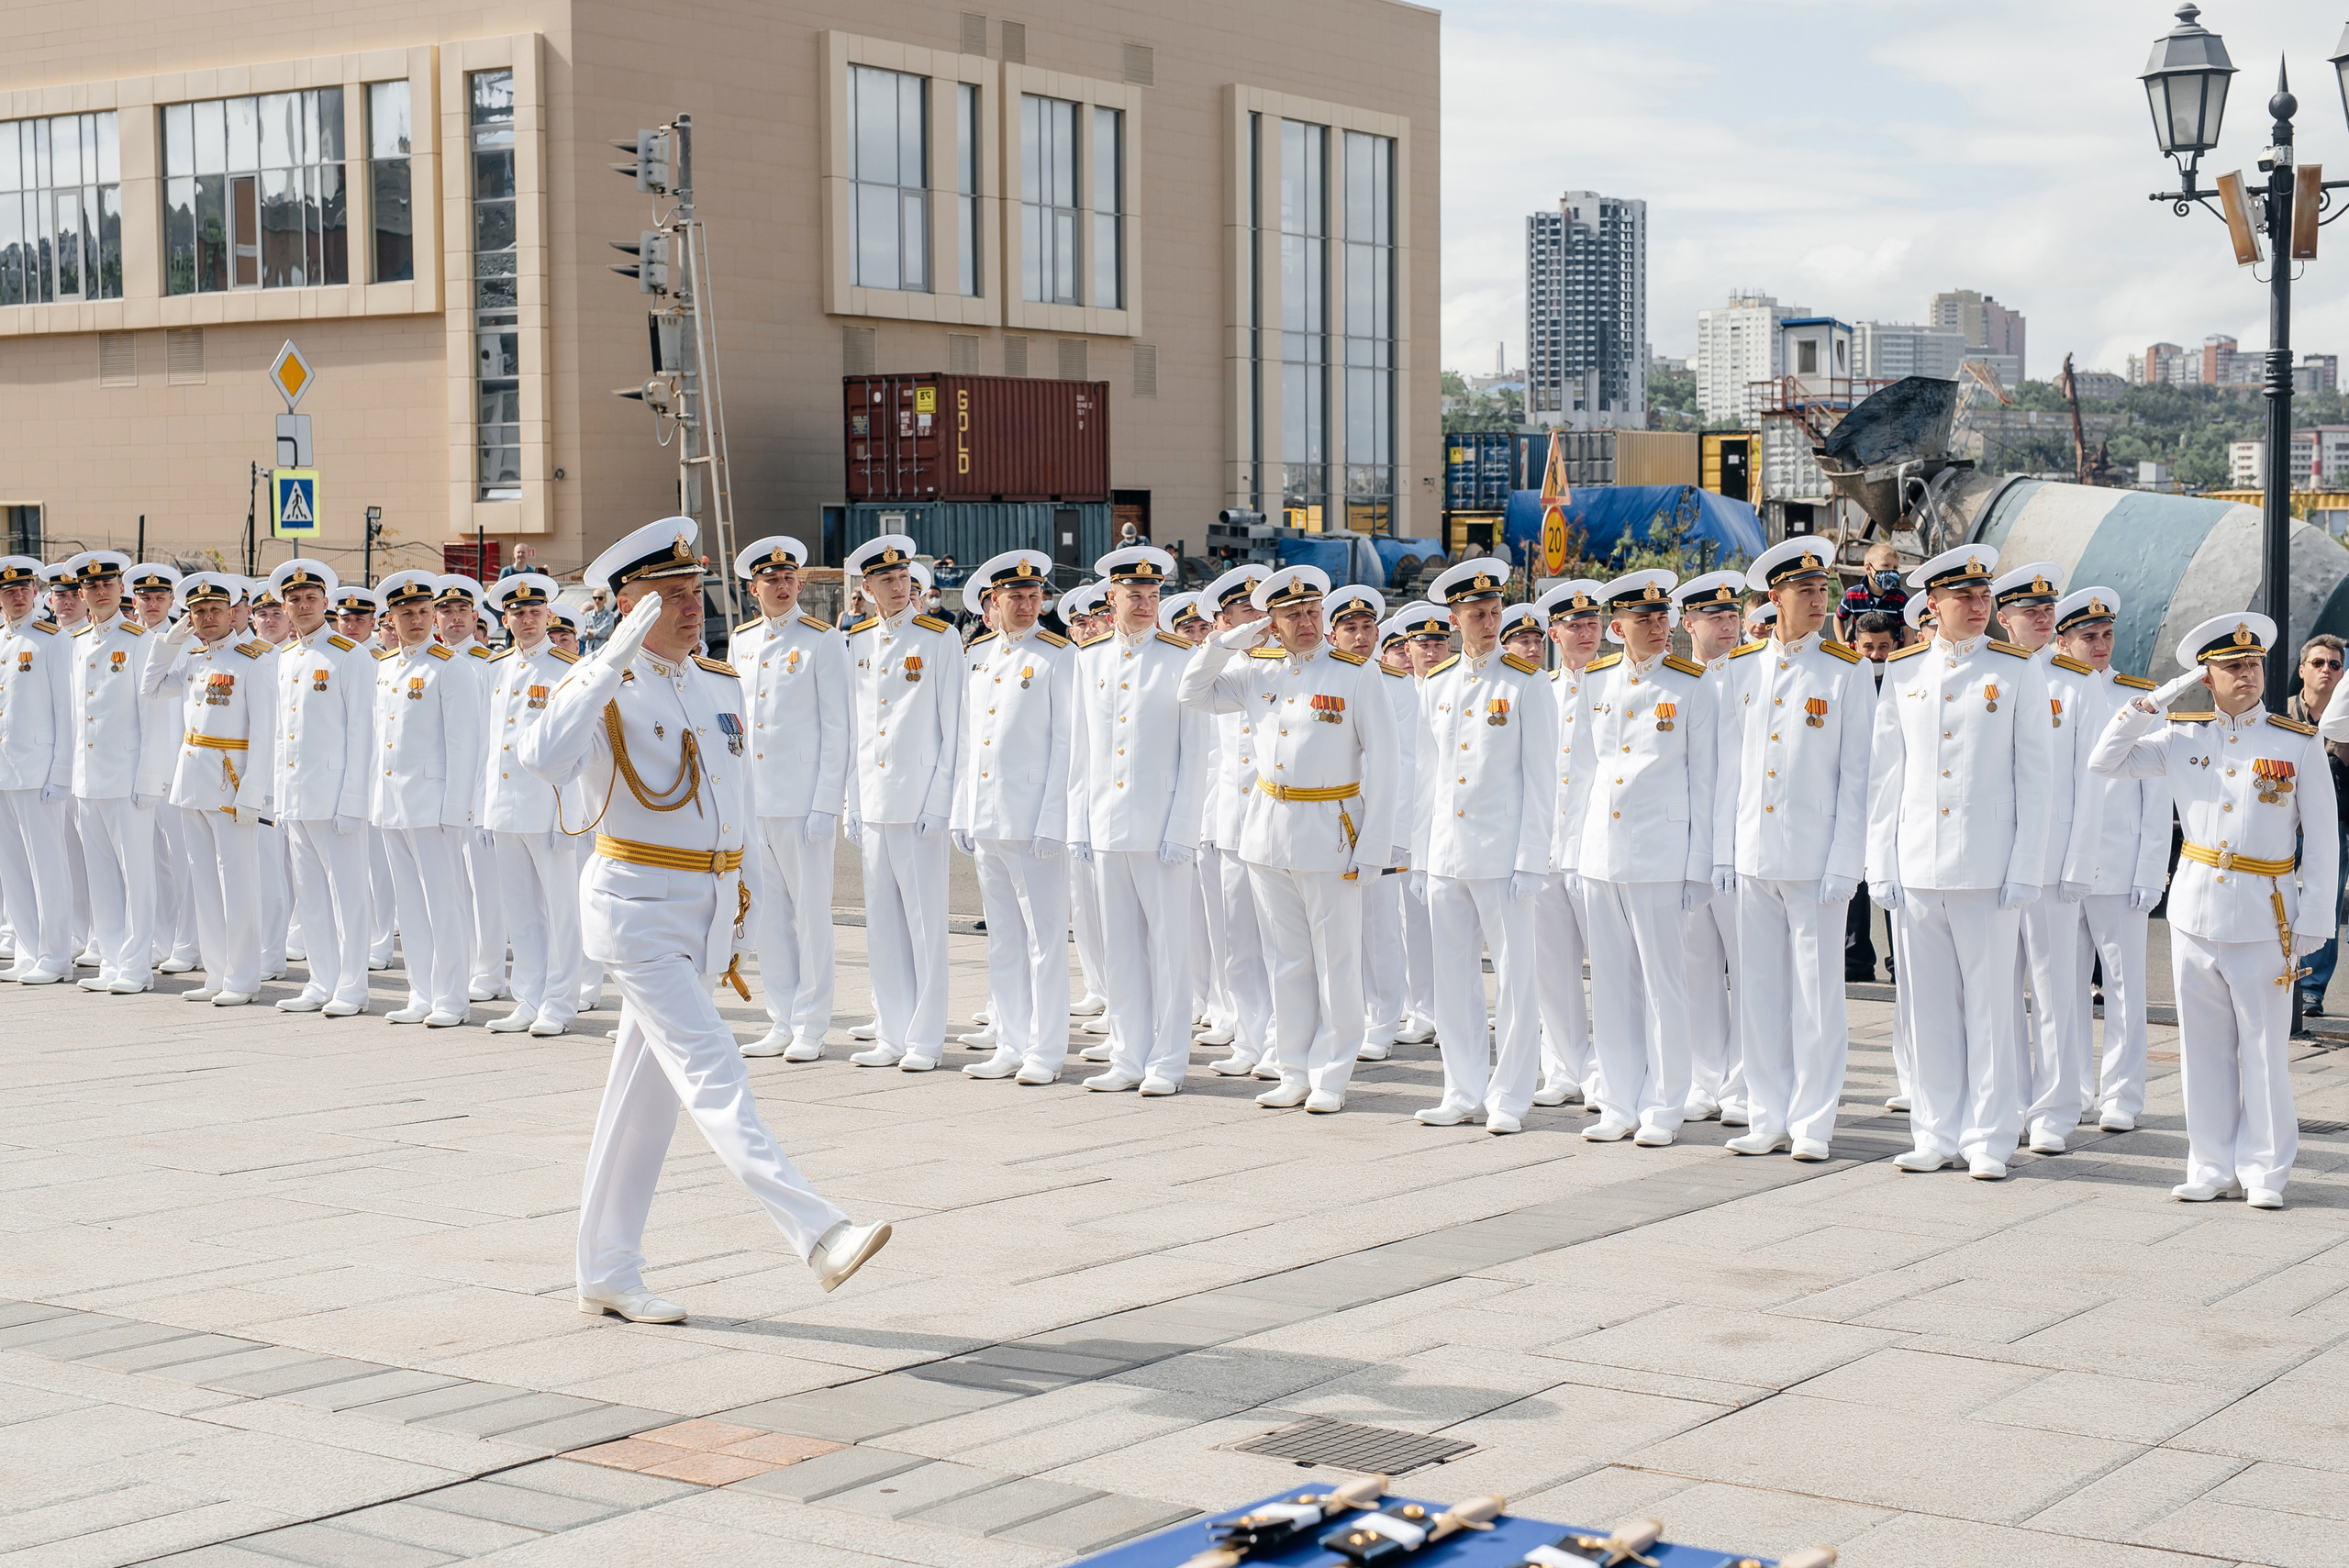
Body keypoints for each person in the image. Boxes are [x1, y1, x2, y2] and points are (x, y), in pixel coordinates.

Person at [521, 516, 889, 1321]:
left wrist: (741, 914)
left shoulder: (719, 685)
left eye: (696, 592)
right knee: (713, 1071)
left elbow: (738, 812)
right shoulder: (604, 685)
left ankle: (606, 1268)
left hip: (701, 911)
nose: (694, 608)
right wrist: (606, 660)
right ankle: (818, 1231)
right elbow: (541, 758)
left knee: (639, 1103)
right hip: (635, 910)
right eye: (672, 596)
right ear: (632, 606)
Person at [2099, 613, 2336, 1209]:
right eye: (2233, 667)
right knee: (2202, 1047)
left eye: (2254, 665)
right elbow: (2106, 759)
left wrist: (2315, 917)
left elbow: (2327, 839)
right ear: (2208, 675)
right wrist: (2158, 698)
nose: (2248, 675)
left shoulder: (2294, 740)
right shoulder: (2184, 734)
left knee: (2263, 1048)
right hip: (2196, 912)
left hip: (2266, 912)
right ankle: (2208, 1162)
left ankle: (2265, 1169)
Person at [1181, 567, 1397, 1113]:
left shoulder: (1354, 673)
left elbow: (1388, 765)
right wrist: (1229, 641)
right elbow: (1192, 692)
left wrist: (1373, 847)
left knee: (1337, 960)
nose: (1306, 622)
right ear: (1271, 624)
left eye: (1312, 612)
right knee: (1287, 960)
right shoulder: (1256, 670)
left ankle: (1333, 1073)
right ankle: (1293, 1067)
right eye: (1292, 615)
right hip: (1269, 830)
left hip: (1332, 829)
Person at [1867, 544, 2049, 1180]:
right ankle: (1935, 1130)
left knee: (1993, 1007)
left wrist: (2028, 865)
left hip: (1990, 866)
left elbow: (2037, 780)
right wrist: (1880, 860)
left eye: (1983, 597)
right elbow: (1887, 774)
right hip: (1919, 863)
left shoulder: (2018, 671)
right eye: (1963, 598)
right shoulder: (1905, 669)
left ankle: (1990, 1136)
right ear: (1933, 605)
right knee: (1930, 1007)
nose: (1978, 607)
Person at [1716, 540, 1874, 1162]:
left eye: (1822, 590)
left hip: (1815, 862)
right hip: (1755, 857)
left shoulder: (1846, 670)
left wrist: (1846, 862)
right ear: (1773, 598)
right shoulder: (1743, 668)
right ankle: (1766, 1112)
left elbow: (1859, 777)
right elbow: (1731, 771)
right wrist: (1724, 853)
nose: (1818, 600)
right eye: (1804, 591)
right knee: (1758, 992)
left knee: (1816, 997)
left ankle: (1813, 1119)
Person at [1414, 560, 1558, 1132]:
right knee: (1452, 979)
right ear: (1454, 618)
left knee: (1516, 982)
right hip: (1447, 855)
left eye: (1495, 612)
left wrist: (1530, 859)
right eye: (1477, 614)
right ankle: (1461, 1089)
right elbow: (1428, 778)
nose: (1489, 621)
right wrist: (1423, 854)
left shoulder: (1525, 683)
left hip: (1503, 857)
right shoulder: (1438, 682)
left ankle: (1511, 1097)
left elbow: (1541, 781)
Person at [1575, 570, 1717, 1147]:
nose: (1658, 628)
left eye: (1662, 618)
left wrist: (1698, 865)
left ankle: (1664, 1104)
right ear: (1617, 628)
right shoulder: (1594, 681)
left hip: (1661, 853)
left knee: (1665, 986)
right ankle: (1617, 1100)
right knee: (1610, 984)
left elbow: (1704, 781)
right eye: (1644, 619)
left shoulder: (1690, 685)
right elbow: (1583, 773)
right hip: (1600, 853)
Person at [1070, 544, 1209, 1095]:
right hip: (1107, 827)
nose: (1146, 604)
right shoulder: (1090, 658)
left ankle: (1170, 1060)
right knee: (1120, 946)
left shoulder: (1180, 658)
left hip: (1161, 831)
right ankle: (1128, 1055)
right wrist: (1080, 826)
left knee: (1170, 949)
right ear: (1111, 598)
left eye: (1153, 596)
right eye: (1135, 596)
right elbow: (1081, 752)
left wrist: (1182, 830)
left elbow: (1194, 756)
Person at [2043, 588, 2167, 1132]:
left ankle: (2122, 1096)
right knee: (2060, 989)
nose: (2098, 644)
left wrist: (2150, 868)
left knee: (2123, 986)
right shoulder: (2043, 689)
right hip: (2057, 867)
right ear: (2062, 639)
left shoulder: (2137, 697)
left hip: (2118, 864)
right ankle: (2066, 1089)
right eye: (2087, 636)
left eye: (2106, 635)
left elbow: (2156, 794)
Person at [952, 550, 1077, 1084]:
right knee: (1004, 937)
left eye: (1034, 596)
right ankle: (1010, 1042)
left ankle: (1045, 1050)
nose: (1028, 605)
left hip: (1033, 822)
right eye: (1015, 598)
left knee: (1045, 940)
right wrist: (962, 810)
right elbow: (967, 742)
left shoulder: (1057, 655)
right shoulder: (978, 656)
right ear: (991, 604)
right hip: (988, 819)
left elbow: (1070, 746)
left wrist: (1055, 820)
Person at [842, 535, 965, 1073]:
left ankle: (925, 1039)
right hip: (873, 802)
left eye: (904, 580)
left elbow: (952, 729)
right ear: (866, 589)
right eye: (885, 581)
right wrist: (852, 801)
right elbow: (855, 730)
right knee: (883, 925)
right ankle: (891, 1033)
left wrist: (940, 805)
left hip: (917, 805)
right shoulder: (859, 641)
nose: (897, 588)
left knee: (924, 926)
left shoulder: (941, 639)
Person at [730, 536, 849, 1062]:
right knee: (769, 916)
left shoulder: (822, 640)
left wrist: (827, 804)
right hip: (755, 800)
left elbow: (837, 728)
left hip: (802, 803)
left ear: (798, 583)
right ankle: (780, 1018)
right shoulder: (743, 640)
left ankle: (812, 1025)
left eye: (788, 578)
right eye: (770, 580)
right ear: (753, 587)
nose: (780, 586)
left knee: (812, 916)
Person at [141, 572, 273, 1006]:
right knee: (203, 881)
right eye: (198, 611)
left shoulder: (255, 658)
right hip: (192, 781)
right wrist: (173, 639)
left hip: (230, 785)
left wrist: (253, 792)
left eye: (216, 609)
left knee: (237, 883)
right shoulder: (193, 656)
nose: (207, 617)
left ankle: (244, 977)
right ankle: (217, 973)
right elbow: (151, 687)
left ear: (234, 611)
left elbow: (266, 732)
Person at [370, 570, 483, 1027]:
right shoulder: (386, 667)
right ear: (391, 618)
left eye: (422, 612)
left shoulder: (450, 666)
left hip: (434, 803)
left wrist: (457, 809)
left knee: (445, 902)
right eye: (406, 613)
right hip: (393, 803)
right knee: (410, 905)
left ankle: (452, 998)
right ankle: (421, 991)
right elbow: (381, 742)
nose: (416, 620)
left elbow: (463, 744)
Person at [265, 560, 377, 1018]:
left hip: (334, 798)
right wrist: (277, 796)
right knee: (310, 894)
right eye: (294, 600)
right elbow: (281, 734)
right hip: (297, 796)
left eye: (311, 598)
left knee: (347, 894)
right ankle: (320, 980)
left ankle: (352, 986)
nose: (302, 605)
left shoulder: (350, 655)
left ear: (326, 604)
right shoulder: (287, 657)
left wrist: (353, 802)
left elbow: (361, 733)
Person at [478, 573, 582, 1037]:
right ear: (506, 618)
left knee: (561, 910)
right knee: (520, 910)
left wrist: (570, 815)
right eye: (517, 613)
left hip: (548, 807)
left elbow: (578, 748)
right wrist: (484, 807)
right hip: (505, 807)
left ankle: (560, 1002)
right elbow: (488, 743)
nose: (526, 620)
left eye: (534, 613)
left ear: (548, 617)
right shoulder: (495, 668)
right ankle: (528, 997)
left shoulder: (565, 668)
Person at [64, 550, 173, 995]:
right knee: (101, 875)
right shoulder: (80, 642)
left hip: (128, 779)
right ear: (83, 594)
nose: (100, 592)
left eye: (108, 584)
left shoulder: (139, 640)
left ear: (120, 589)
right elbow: (77, 717)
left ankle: (136, 966)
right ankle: (111, 960)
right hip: (89, 779)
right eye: (91, 587)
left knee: (138, 874)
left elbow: (154, 718)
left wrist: (148, 781)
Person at [1671, 569, 1751, 1127]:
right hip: (1684, 844)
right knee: (1695, 964)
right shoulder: (1674, 682)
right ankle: (1704, 1076)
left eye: (1732, 616)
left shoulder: (1754, 676)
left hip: (1744, 843)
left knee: (1751, 968)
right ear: (1687, 623)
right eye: (1714, 617)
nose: (1727, 626)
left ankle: (1745, 1083)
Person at [1194, 565, 1275, 1077]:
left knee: (1280, 943)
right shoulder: (1219, 670)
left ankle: (1281, 1042)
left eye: (1259, 609)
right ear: (1223, 621)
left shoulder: (1285, 665)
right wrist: (1225, 645)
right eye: (1244, 612)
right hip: (1229, 822)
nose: (1257, 619)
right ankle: (1248, 1038)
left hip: (1278, 822)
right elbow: (1191, 691)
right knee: (1238, 943)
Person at [0, 555, 74, 984]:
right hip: (5, 771)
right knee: (12, 866)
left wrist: (60, 772)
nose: (17, 595)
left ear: (35, 592)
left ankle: (55, 954)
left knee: (47, 864)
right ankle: (27, 950)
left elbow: (66, 711)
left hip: (38, 769)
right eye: (9, 590)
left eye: (23, 588)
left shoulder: (51, 639)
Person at [433, 573, 507, 1004]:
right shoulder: (428, 662)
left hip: (477, 792)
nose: (454, 618)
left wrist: (481, 797)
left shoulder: (486, 664)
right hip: (436, 792)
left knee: (484, 888)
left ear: (475, 616)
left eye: (462, 611)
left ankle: (490, 971)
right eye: (446, 611)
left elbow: (489, 739)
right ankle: (456, 966)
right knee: (449, 888)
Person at [128, 563, 200, 977]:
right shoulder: (121, 637)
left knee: (184, 859)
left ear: (172, 602)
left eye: (160, 597)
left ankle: (187, 943)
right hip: (134, 765)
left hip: (175, 764)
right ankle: (157, 938)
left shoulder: (185, 639)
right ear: (133, 598)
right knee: (149, 860)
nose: (152, 604)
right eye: (144, 597)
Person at [1393, 603, 1453, 1046]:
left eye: (1439, 643)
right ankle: (1421, 1009)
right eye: (1423, 644)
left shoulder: (1456, 687)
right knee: (1410, 923)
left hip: (1449, 822)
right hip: (1403, 819)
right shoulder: (1392, 690)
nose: (1431, 651)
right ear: (1406, 648)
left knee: (1453, 925)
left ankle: (1450, 1011)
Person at [2288, 633, 2348, 1015]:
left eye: (2335, 665)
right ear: (2302, 670)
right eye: (2319, 663)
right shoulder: (2278, 715)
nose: (2327, 670)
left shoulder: (2346, 721)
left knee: (2325, 902)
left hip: (2332, 828)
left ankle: (2311, 989)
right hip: (2285, 825)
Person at [1839, 540, 1909, 641]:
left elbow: (1907, 629)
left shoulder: (1900, 597)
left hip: (1892, 654)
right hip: (1861, 654)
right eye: (1886, 565)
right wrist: (1841, 642)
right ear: (1868, 568)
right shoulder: (1852, 595)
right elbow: (1839, 619)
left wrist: (1906, 654)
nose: (1892, 571)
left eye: (1895, 567)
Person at [581, 589, 615, 656]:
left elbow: (604, 632)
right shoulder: (587, 615)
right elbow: (581, 635)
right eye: (595, 598)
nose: (597, 600)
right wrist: (597, 634)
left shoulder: (609, 615)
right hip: (589, 652)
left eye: (600, 598)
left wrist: (589, 631)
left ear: (605, 600)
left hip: (603, 651)